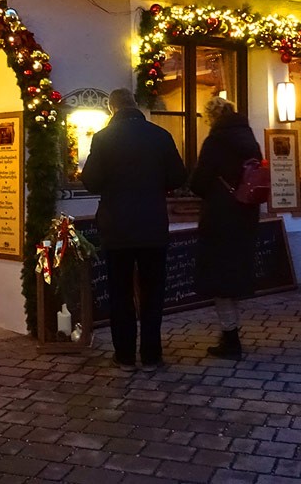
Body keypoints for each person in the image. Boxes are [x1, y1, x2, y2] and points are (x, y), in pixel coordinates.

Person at [81, 88, 187, 371]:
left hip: (117, 228)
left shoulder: (103, 139)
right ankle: (152, 355)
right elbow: (178, 176)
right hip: (152, 225)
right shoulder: (160, 135)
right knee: (153, 292)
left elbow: (90, 180)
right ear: (134, 106)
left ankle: (125, 355)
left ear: (111, 108)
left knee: (120, 292)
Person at [189, 96, 263, 360]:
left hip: (220, 217)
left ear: (212, 117)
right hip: (246, 214)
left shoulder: (216, 140)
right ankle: (230, 333)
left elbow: (198, 182)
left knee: (219, 278)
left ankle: (230, 338)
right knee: (234, 274)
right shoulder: (250, 139)